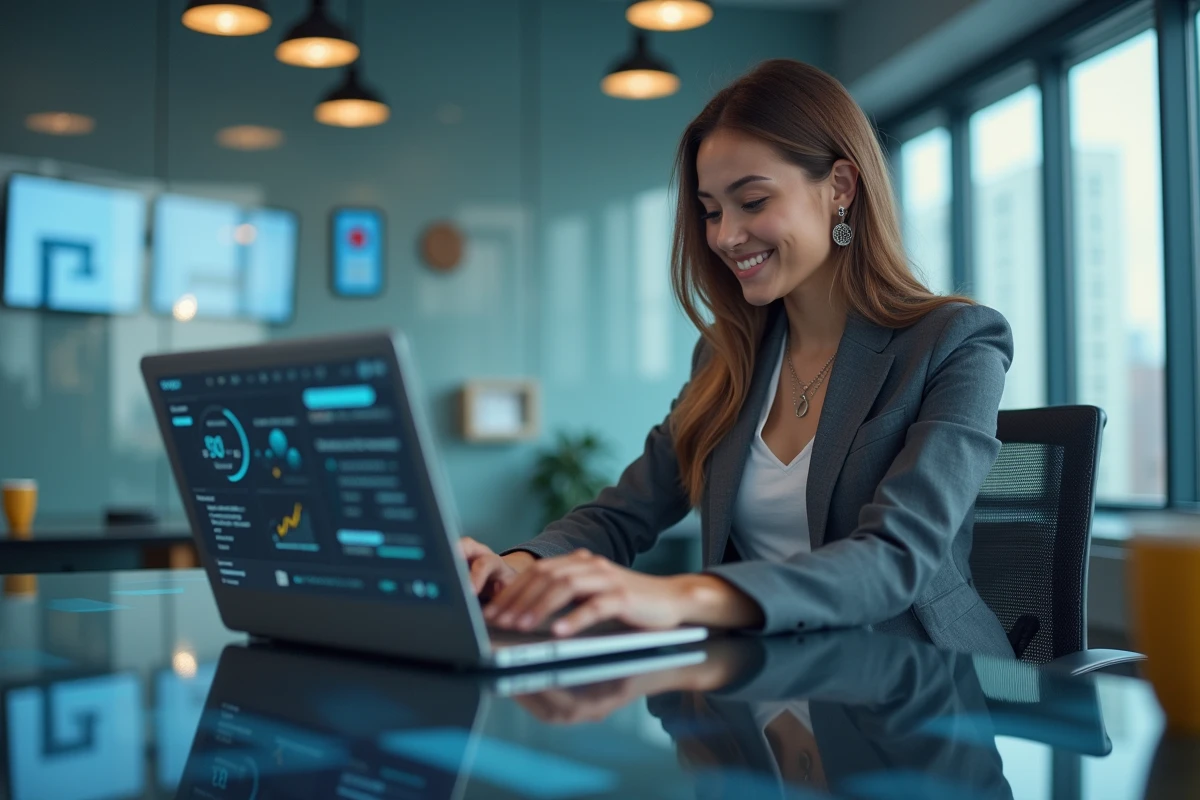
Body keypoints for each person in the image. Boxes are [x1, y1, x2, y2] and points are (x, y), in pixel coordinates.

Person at [460, 58, 1015, 658]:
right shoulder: (728, 358)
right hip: (764, 685)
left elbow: (896, 560)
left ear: (840, 188)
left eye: (752, 201)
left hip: (922, 685)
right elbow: (623, 514)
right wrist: (516, 566)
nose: (725, 235)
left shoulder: (956, 343)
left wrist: (680, 596)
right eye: (711, 210)